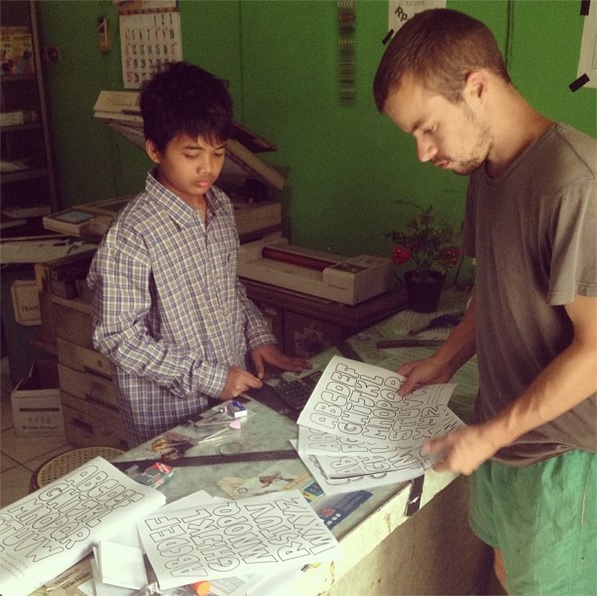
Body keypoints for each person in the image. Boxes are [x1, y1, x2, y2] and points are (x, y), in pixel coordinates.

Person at [373, 8, 596, 595]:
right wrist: (443, 360)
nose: (423, 152)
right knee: (505, 574)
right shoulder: (487, 170)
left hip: (565, 456)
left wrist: (492, 434)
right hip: (507, 437)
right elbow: (494, 293)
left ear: (476, 87)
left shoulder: (575, 183)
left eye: (428, 128)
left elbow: (595, 352)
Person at [88, 62, 310, 447]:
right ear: (155, 150)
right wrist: (211, 378)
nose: (208, 168)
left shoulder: (220, 207)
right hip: (167, 416)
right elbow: (117, 337)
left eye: (218, 153)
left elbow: (229, 290)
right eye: (192, 154)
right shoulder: (132, 234)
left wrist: (258, 337)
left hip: (228, 399)